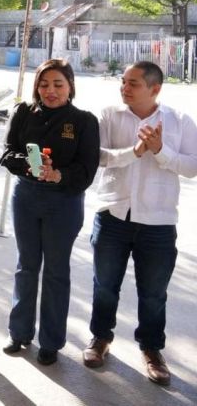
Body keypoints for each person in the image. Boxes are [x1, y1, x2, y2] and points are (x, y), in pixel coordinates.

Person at [83, 61, 197, 386]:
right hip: (113, 214)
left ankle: (151, 349)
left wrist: (161, 151)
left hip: (159, 222)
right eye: (123, 81)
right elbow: (97, 155)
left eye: (133, 83)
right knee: (104, 285)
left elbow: (192, 166)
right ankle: (100, 338)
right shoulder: (109, 115)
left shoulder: (178, 121)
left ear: (155, 89)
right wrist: (134, 152)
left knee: (153, 294)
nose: (125, 88)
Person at [0, 59, 99, 365]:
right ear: (36, 87)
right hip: (26, 197)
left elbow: (87, 169)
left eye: (58, 84)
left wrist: (59, 176)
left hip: (64, 202)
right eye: (44, 85)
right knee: (26, 265)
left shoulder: (83, 121)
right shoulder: (23, 112)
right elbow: (6, 153)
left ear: (70, 86)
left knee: (56, 271)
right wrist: (28, 165)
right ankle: (19, 332)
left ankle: (51, 341)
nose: (50, 91)